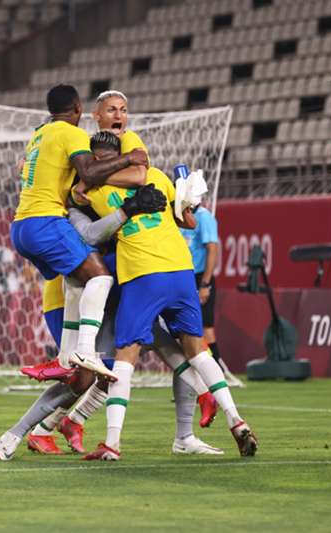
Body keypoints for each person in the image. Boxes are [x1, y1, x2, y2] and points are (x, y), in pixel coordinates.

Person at [27, 131, 221, 457]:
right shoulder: (76, 196)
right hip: (75, 297)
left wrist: (179, 205)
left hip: (119, 283)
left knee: (159, 349)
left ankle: (187, 426)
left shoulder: (114, 183)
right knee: (88, 372)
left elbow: (145, 176)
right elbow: (89, 234)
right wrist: (126, 208)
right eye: (100, 163)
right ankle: (40, 429)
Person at [76, 145, 258, 460]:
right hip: (181, 269)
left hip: (143, 273)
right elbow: (187, 220)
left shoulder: (91, 190)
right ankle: (236, 421)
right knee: (198, 351)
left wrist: (82, 184)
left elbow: (88, 229)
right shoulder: (157, 176)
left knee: (125, 356)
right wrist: (185, 198)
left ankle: (112, 443)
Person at [10, 84, 149, 384]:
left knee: (75, 279)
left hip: (21, 226)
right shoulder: (71, 133)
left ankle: (64, 358)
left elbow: (26, 167)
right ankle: (84, 350)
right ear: (79, 110)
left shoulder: (39, 134)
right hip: (46, 220)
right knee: (99, 276)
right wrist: (128, 158)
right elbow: (89, 173)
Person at [180, 201, 243, 387]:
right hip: (184, 276)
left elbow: (212, 249)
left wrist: (205, 283)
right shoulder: (181, 215)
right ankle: (195, 381)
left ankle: (216, 374)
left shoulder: (204, 217)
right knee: (188, 329)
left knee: (206, 328)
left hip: (199, 277)